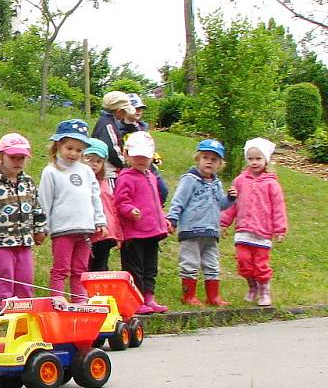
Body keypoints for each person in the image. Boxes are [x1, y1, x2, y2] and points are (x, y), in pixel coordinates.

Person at [38, 119, 107, 302]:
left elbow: (95, 197)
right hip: (62, 229)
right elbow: (44, 200)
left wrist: (100, 220)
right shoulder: (51, 171)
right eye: (69, 148)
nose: (73, 153)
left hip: (85, 228)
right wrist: (42, 227)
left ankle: (79, 300)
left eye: (78, 150)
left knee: (80, 268)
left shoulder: (86, 171)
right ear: (59, 145)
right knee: (61, 268)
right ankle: (58, 299)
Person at [0, 133, 46, 313]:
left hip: (24, 242)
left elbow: (36, 207)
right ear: (0, 157)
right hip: (1, 242)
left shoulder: (28, 182)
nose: (17, 161)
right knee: (4, 277)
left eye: (21, 158)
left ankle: (25, 313)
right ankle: (3, 312)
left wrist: (40, 228)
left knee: (25, 278)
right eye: (13, 157)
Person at [167, 140, 236, 306]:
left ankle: (213, 296)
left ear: (220, 164)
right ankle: (188, 295)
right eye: (205, 157)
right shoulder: (190, 179)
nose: (209, 161)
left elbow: (221, 204)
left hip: (211, 231)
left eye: (214, 159)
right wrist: (172, 218)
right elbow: (179, 200)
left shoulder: (216, 183)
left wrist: (230, 199)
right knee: (190, 263)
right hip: (191, 230)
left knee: (212, 264)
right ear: (198, 159)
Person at [221, 138, 288, 307]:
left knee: (260, 264)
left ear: (266, 160)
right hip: (243, 230)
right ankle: (252, 287)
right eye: (250, 159)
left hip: (262, 231)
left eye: (258, 158)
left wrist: (279, 229)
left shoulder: (272, 184)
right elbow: (232, 205)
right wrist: (224, 222)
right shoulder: (240, 181)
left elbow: (278, 208)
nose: (254, 162)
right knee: (243, 260)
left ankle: (264, 289)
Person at [114, 131, 172, 314]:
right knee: (134, 268)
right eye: (136, 156)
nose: (140, 160)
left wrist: (163, 220)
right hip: (134, 233)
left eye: (145, 157)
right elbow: (120, 202)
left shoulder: (151, 177)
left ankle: (149, 298)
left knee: (150, 267)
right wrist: (130, 210)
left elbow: (156, 203)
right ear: (126, 155)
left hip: (151, 232)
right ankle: (135, 301)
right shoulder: (126, 177)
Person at [83, 138, 123, 271]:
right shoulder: (81, 183)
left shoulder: (105, 183)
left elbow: (113, 209)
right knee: (87, 264)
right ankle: (86, 291)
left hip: (106, 233)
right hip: (89, 231)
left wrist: (118, 234)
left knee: (101, 265)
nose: (94, 164)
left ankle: (99, 290)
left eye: (99, 161)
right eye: (90, 159)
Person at [92, 91, 136, 187]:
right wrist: (125, 163)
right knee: (112, 198)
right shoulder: (108, 125)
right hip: (110, 173)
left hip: (108, 171)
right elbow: (112, 149)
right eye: (125, 112)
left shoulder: (104, 121)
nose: (125, 115)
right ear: (119, 111)